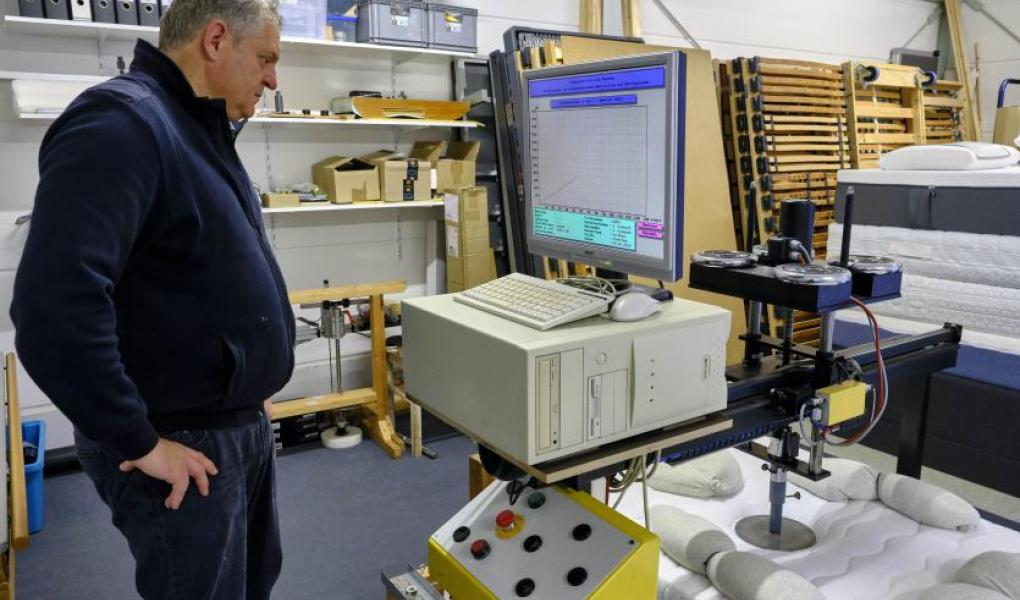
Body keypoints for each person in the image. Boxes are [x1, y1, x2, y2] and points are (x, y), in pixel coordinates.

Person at [10, 0, 294, 597]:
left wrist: (249, 388)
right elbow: (52, 311)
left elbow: (197, 274)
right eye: (266, 59)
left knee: (249, 583)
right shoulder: (124, 125)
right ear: (216, 40)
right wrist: (138, 440)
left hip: (231, 426)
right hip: (181, 446)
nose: (273, 78)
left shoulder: (195, 127)